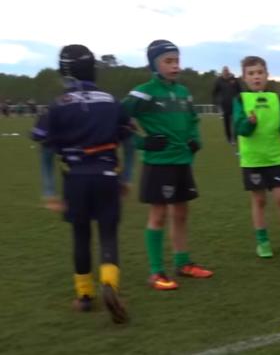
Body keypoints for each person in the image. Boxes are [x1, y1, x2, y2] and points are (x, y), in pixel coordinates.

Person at [32, 44, 134, 323]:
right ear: (94, 70)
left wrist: (50, 190)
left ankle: (84, 296)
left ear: (64, 72)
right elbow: (130, 142)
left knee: (81, 235)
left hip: (75, 179)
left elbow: (45, 150)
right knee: (108, 234)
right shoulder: (112, 102)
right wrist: (126, 177)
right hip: (107, 176)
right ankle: (110, 286)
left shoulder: (57, 105)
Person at [122, 39, 213, 291]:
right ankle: (155, 272)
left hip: (182, 160)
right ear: (154, 64)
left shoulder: (183, 93)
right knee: (159, 214)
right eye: (168, 61)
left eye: (177, 60)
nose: (175, 66)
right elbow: (118, 119)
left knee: (181, 212)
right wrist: (142, 142)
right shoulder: (144, 92)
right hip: (158, 163)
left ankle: (183, 263)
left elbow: (193, 119)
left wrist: (196, 139)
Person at [232, 56, 280, 258]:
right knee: (259, 200)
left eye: (259, 72)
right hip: (253, 159)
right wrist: (249, 122)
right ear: (244, 77)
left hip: (274, 157)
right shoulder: (241, 100)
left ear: (267, 75)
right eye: (251, 74)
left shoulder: (276, 99)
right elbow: (240, 129)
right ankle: (262, 241)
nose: (256, 77)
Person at [212, 66, 242, 145]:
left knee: (235, 122)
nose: (226, 72)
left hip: (234, 105)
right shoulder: (219, 81)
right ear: (222, 72)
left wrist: (239, 99)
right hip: (224, 105)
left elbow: (240, 90)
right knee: (227, 124)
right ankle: (229, 139)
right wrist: (216, 102)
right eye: (224, 71)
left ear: (229, 71)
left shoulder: (234, 80)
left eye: (227, 70)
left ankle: (234, 138)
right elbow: (215, 92)